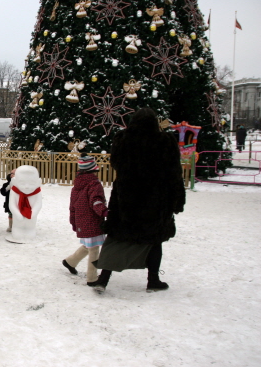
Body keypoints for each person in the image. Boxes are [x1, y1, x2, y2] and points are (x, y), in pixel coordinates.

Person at [94, 108, 186, 293]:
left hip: (126, 199)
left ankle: (103, 279)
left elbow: (116, 164)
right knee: (154, 240)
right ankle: (153, 280)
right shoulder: (165, 141)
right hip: (157, 200)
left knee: (117, 238)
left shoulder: (123, 140)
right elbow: (175, 173)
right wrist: (178, 201)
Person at [62, 154, 108, 286]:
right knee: (94, 248)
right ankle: (92, 278)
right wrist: (104, 211)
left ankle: (70, 262)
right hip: (92, 220)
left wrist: (74, 221)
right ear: (93, 169)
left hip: (82, 220)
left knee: (90, 244)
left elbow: (72, 206)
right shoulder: (94, 184)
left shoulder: (77, 185)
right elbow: (96, 201)